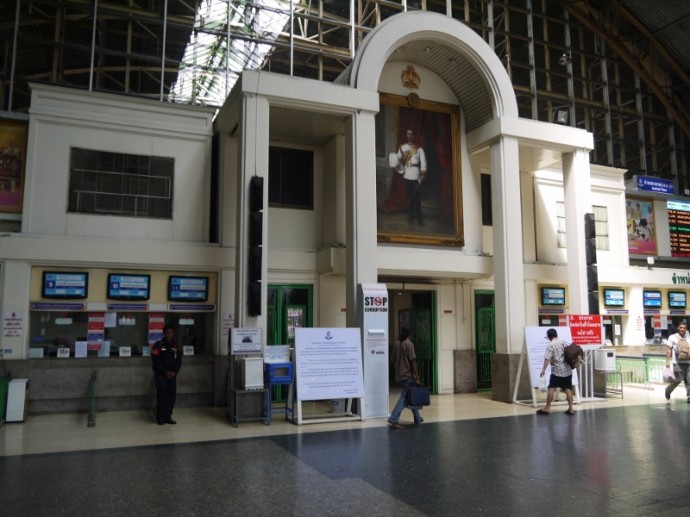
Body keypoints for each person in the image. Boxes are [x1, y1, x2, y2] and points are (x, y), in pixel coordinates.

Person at [387, 326, 423, 428]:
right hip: (408, 375)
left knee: (410, 395)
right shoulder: (409, 344)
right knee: (404, 398)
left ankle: (417, 418)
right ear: (409, 334)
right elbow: (413, 362)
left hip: (400, 376)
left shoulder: (396, 344)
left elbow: (393, 360)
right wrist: (417, 377)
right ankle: (393, 418)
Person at [536, 328, 574, 415]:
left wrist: (543, 370)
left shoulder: (550, 345)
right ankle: (571, 409)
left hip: (557, 371)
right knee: (568, 388)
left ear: (549, 337)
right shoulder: (562, 343)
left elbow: (547, 359)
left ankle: (547, 408)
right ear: (556, 335)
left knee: (551, 388)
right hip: (567, 370)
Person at [395, 129, 427, 225]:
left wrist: (423, 174)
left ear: (414, 136)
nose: (410, 136)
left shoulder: (419, 149)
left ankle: (419, 218)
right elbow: (397, 160)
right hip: (407, 174)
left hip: (416, 174)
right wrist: (397, 165)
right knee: (409, 196)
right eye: (408, 134)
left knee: (417, 198)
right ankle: (411, 215)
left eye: (412, 134)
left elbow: (424, 163)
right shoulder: (402, 147)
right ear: (406, 135)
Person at [151, 325, 182, 424]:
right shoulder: (158, 345)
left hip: (172, 376)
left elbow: (179, 361)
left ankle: (168, 416)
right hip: (161, 375)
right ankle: (160, 417)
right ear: (164, 333)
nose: (169, 334)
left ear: (173, 334)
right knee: (162, 395)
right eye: (167, 332)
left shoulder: (175, 345)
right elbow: (155, 361)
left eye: (171, 332)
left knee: (171, 396)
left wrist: (175, 372)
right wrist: (165, 372)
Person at [664, 322, 690, 402]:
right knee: (678, 380)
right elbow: (669, 350)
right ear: (678, 328)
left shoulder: (689, 337)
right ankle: (668, 390)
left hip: (688, 363)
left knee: (689, 380)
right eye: (681, 327)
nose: (682, 329)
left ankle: (689, 396)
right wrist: (667, 361)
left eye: (684, 328)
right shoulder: (672, 337)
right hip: (677, 363)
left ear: (686, 329)